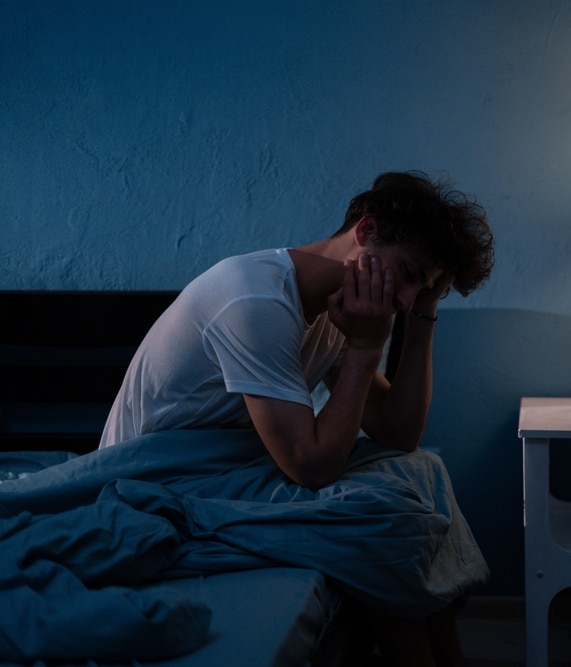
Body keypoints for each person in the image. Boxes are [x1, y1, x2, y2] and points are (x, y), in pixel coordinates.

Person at [99, 170, 495, 666]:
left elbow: (399, 433)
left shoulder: (337, 308)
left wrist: (423, 315)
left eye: (426, 289)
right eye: (410, 273)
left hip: (232, 469)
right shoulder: (254, 299)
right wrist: (367, 347)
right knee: (387, 517)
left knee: (421, 469)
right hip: (157, 481)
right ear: (366, 231)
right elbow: (311, 466)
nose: (406, 299)